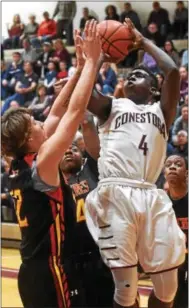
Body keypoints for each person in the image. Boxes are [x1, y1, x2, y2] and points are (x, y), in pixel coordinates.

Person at [84, 18, 186, 308]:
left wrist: (144, 43)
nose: (131, 77)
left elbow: (172, 72)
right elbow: (86, 96)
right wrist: (97, 60)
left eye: (139, 75)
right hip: (115, 194)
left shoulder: (162, 110)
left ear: (154, 89)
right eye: (129, 76)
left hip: (151, 196)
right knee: (126, 291)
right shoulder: (112, 106)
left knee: (167, 290)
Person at [1, 20, 101, 308]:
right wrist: (93, 63)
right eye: (34, 123)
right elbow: (72, 113)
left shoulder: (20, 163)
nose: (40, 121)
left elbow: (57, 111)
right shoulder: (42, 164)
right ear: (27, 139)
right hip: (50, 269)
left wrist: (79, 69)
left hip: (30, 270)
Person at [59, 119, 114, 307]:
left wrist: (84, 119)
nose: (68, 151)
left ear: (82, 156)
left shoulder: (91, 172)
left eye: (74, 149)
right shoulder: (54, 186)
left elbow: (91, 138)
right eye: (64, 150)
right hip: (70, 261)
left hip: (101, 255)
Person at [164, 154, 188, 308]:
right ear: (164, 173)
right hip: (173, 262)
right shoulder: (160, 203)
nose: (172, 167)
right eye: (168, 164)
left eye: (178, 164)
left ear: (187, 173)